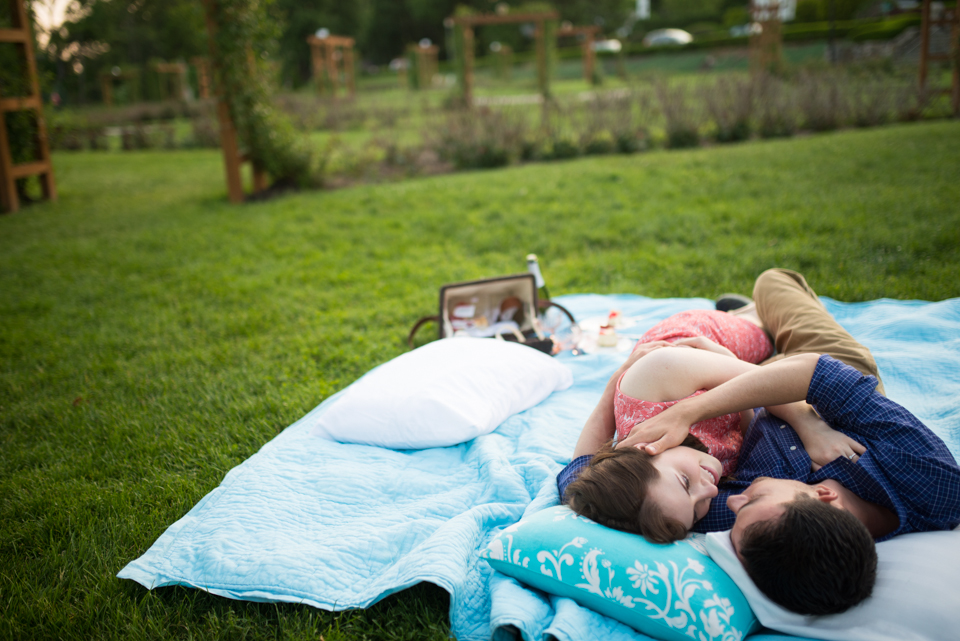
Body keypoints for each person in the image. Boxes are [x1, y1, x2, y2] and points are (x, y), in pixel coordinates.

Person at [561, 269, 960, 615]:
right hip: (810, 380)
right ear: (822, 495)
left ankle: (750, 318)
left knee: (762, 309)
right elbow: (813, 374)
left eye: (740, 506)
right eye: (745, 501)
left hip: (769, 389)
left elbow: (586, 482)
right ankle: (753, 316)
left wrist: (688, 391)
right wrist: (801, 419)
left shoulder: (748, 522)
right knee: (773, 284)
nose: (729, 496)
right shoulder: (931, 482)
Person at [561, 269, 868, 541]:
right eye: (697, 511)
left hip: (698, 347)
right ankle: (749, 312)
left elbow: (759, 380)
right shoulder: (641, 503)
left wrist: (812, 428)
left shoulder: (654, 380)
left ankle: (750, 315)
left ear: (643, 450)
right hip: (732, 381)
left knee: (766, 323)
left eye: (685, 483)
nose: (708, 491)